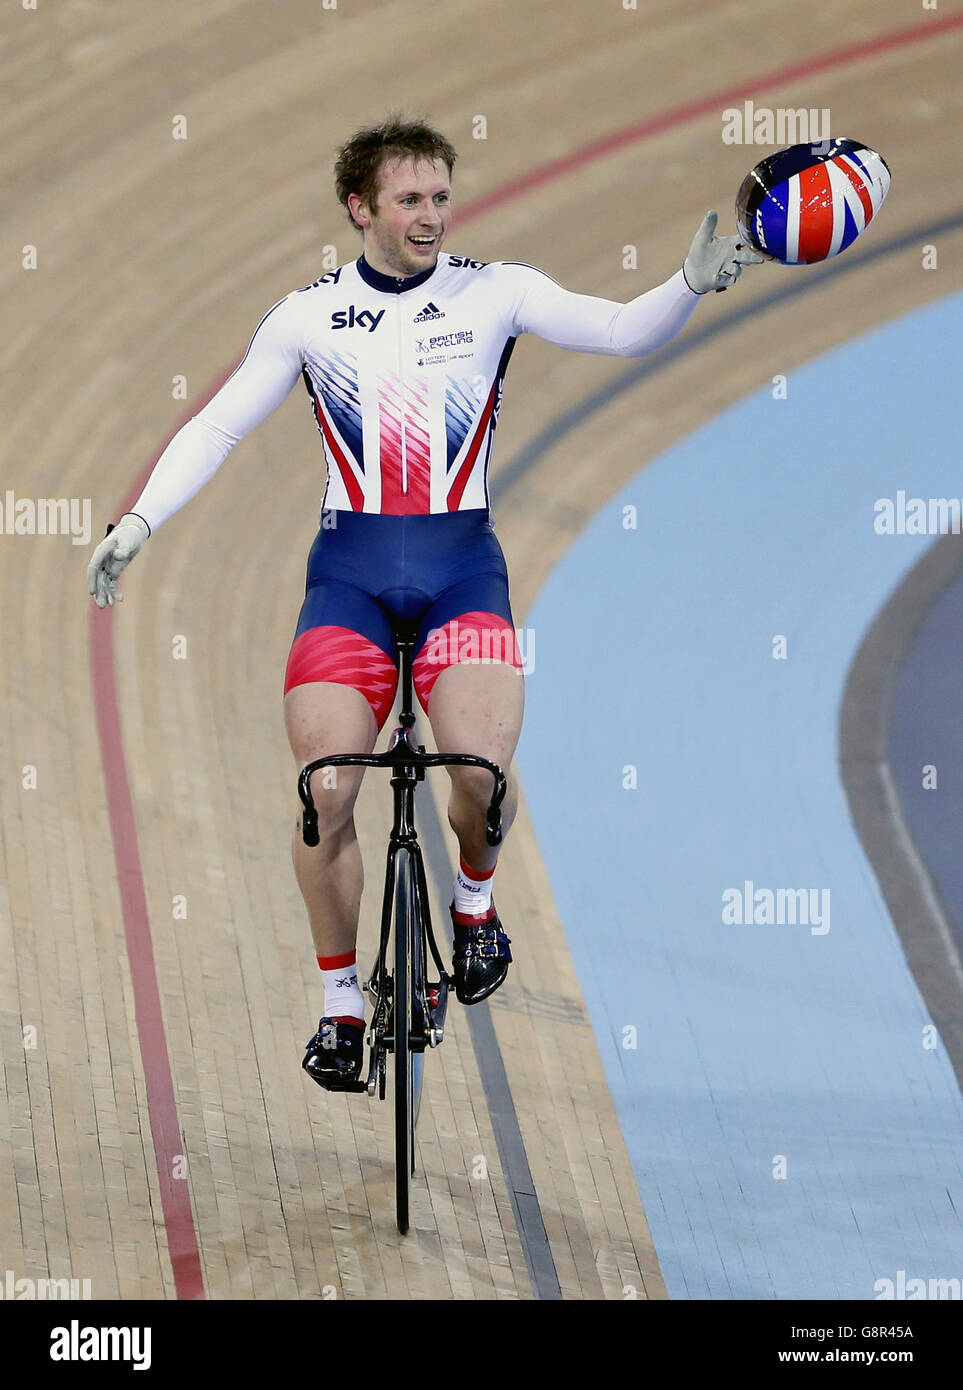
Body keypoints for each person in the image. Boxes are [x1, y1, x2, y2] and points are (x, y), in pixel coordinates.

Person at [87, 115, 762, 1091]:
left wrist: (688, 285)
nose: (431, 216)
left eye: (441, 196)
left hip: (459, 577)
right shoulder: (308, 316)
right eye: (410, 199)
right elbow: (223, 421)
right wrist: (141, 519)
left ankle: (476, 906)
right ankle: (341, 1004)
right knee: (327, 795)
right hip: (350, 582)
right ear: (359, 208)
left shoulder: (497, 292)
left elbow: (619, 332)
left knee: (481, 774)